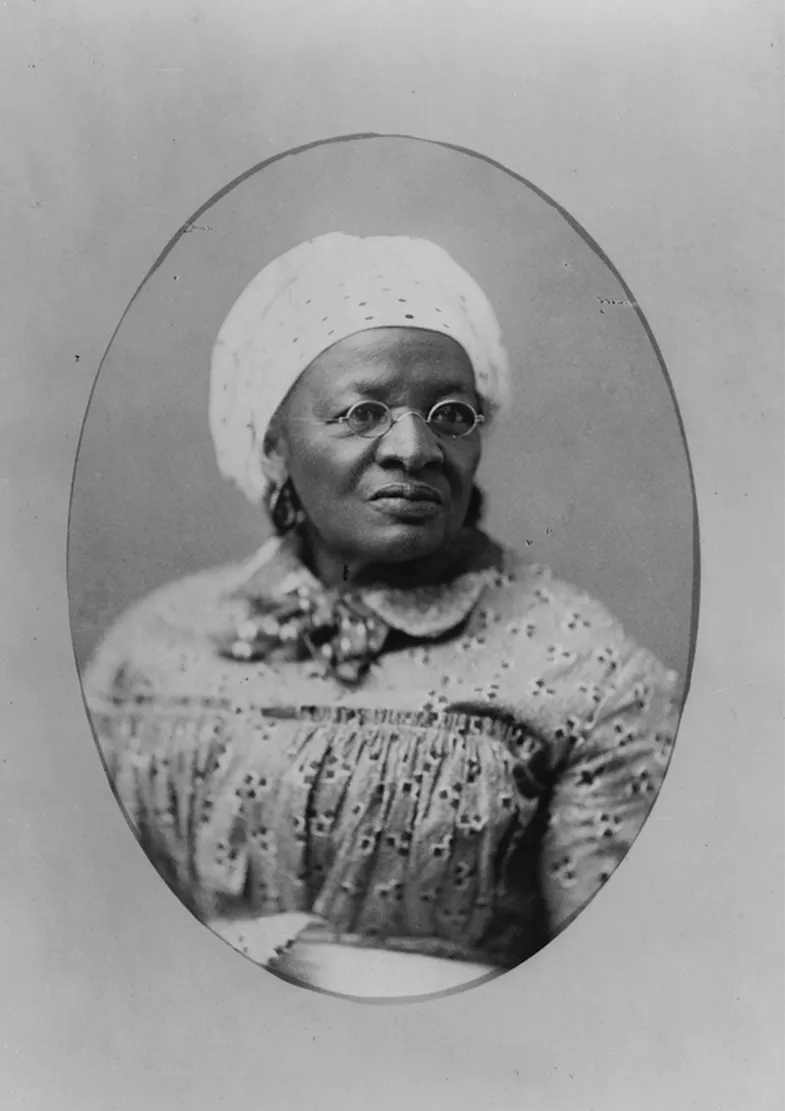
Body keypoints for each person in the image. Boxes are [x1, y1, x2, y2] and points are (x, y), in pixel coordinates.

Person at [83, 231, 682, 995]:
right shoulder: (151, 652)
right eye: (363, 412)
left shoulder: (585, 667)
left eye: (451, 415)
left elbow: (620, 989)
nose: (414, 447)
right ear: (274, 446)